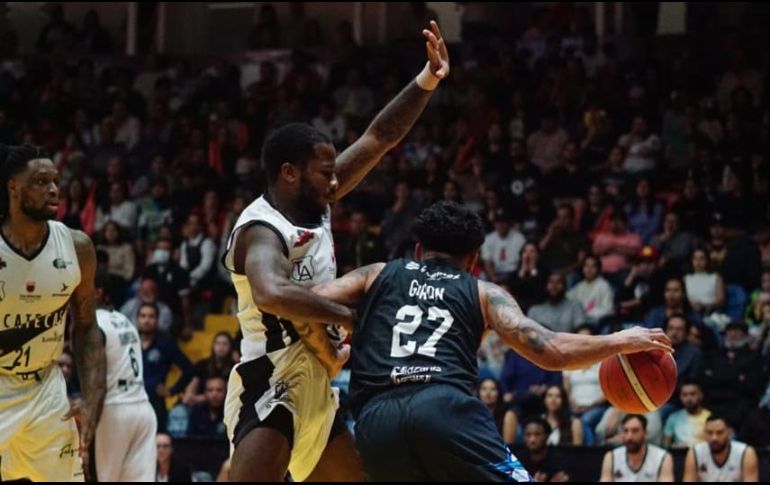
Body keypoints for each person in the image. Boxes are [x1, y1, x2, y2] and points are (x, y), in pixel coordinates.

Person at [221, 21, 451, 482]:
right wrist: (355, 319)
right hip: (271, 380)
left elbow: (378, 138)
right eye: (324, 172)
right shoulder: (260, 229)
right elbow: (271, 292)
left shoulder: (315, 200)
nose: (334, 180)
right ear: (289, 173)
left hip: (318, 381)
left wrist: (429, 78)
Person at [312, 201, 672, 481]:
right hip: (443, 407)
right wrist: (619, 340)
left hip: (376, 422)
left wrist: (335, 341)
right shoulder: (483, 292)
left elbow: (306, 302)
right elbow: (550, 350)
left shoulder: (377, 273)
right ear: (473, 260)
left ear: (418, 251)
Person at [0, 144, 105, 481]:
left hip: (45, 386)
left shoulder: (78, 247)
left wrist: (89, 399)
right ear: (13, 187)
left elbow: (87, 326)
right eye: (41, 181)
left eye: (55, 180)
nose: (54, 189)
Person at [93, 270, 157, 482]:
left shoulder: (95, 325)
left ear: (97, 293)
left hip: (115, 410)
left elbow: (97, 382)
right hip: (143, 408)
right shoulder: (124, 319)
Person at [683, 415, 759, 482]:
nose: (714, 438)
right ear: (704, 433)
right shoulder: (695, 452)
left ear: (730, 433)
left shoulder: (745, 452)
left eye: (719, 432)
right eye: (709, 432)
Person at [599, 414, 674, 482]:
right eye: (625, 431)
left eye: (635, 431)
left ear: (645, 433)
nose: (629, 437)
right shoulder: (611, 456)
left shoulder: (663, 457)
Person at [518, 417, 569, 482]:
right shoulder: (518, 461)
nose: (532, 440)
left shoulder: (559, 460)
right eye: (528, 435)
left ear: (546, 436)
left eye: (537, 434)